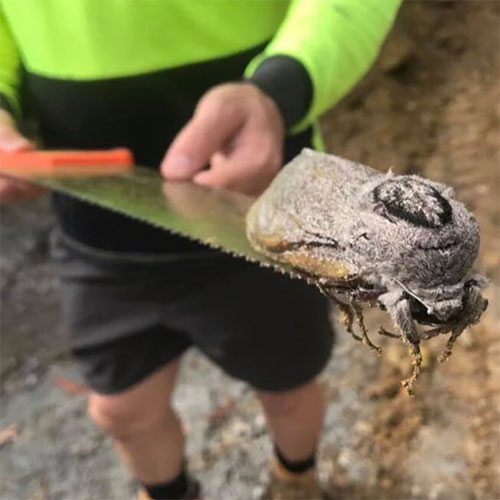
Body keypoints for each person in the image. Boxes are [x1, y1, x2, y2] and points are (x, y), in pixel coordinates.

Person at [0, 1, 402, 499]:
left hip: (260, 219)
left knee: (290, 386)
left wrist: (279, 89)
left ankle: (295, 480)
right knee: (122, 411)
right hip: (98, 235)